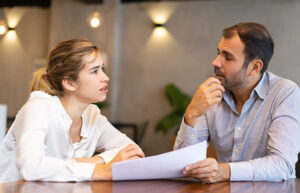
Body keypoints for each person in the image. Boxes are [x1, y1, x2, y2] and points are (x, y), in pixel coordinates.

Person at [0, 38, 144, 183]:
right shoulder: (39, 107)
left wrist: (93, 161)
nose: (105, 77)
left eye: (102, 69)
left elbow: (134, 152)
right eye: (94, 71)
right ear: (69, 83)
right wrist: (99, 169)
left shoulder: (92, 115)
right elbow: (31, 167)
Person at [174, 22, 300, 183]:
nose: (215, 62)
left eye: (227, 57)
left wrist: (224, 171)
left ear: (255, 67)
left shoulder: (284, 93)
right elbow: (183, 166)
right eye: (218, 53)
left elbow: (282, 165)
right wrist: (191, 114)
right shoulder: (212, 93)